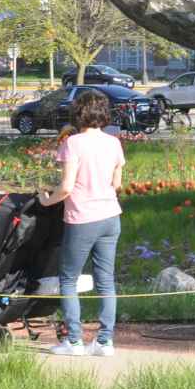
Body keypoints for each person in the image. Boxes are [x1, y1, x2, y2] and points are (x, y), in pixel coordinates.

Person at [37, 90, 124, 356]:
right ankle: (104, 342)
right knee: (106, 281)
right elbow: (117, 184)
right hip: (111, 216)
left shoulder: (73, 143)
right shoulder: (113, 143)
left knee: (68, 280)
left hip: (82, 218)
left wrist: (46, 201)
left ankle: (74, 341)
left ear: (78, 113)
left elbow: (66, 188)